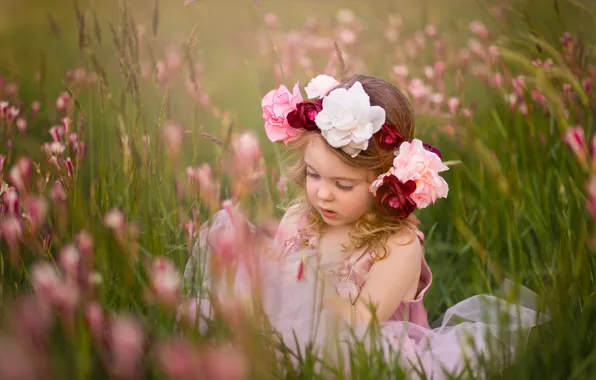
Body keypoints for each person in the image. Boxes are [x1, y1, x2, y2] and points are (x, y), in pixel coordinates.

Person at [183, 73, 546, 378]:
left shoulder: (398, 245)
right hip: (291, 336)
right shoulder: (299, 218)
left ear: (386, 180)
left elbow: (361, 323)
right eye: (313, 175)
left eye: (343, 185)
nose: (323, 194)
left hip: (360, 355)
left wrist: (295, 293)